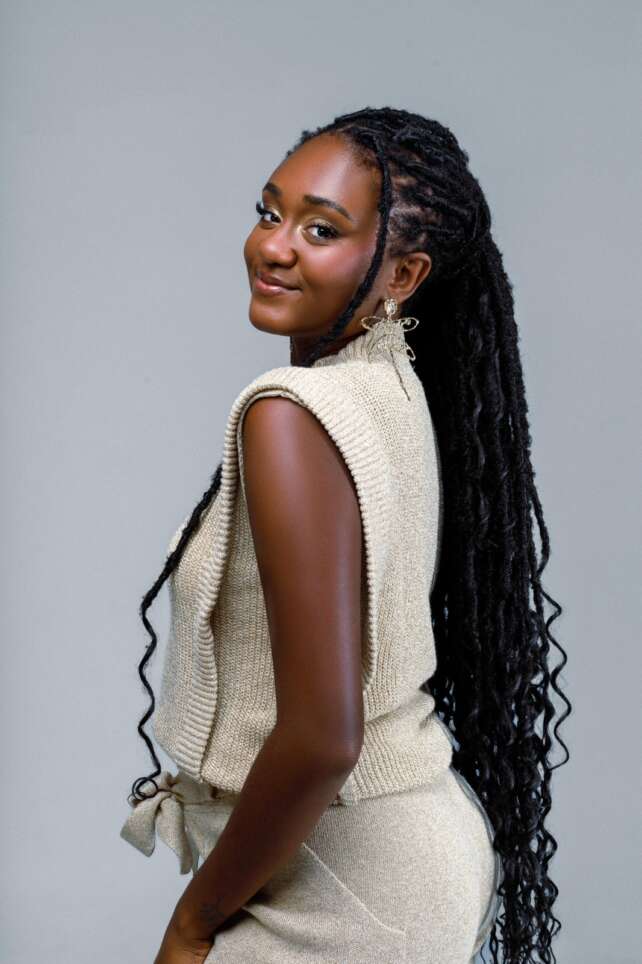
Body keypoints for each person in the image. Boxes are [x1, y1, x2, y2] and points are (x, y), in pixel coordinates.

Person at [119, 107, 571, 964]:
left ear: (403, 274)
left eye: (321, 229)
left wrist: (191, 923)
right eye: (269, 212)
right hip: (402, 859)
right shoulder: (390, 386)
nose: (274, 247)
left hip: (350, 890)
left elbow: (324, 736)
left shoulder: (292, 415)